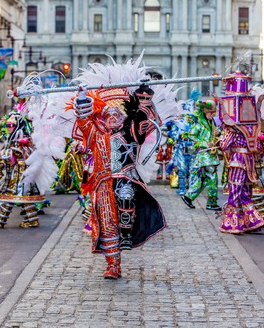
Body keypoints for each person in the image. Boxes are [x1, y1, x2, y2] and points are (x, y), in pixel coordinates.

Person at [70, 84, 166, 279]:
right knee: (107, 223)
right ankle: (113, 265)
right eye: (109, 116)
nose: (113, 119)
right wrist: (82, 98)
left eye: (117, 115)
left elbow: (145, 117)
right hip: (104, 183)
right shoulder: (97, 135)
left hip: (126, 178)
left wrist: (143, 95)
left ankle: (127, 234)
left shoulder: (131, 131)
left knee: (126, 196)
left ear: (123, 117)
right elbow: (83, 122)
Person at [217, 71, 264, 234]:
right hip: (249, 161)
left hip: (238, 161)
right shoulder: (252, 125)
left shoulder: (233, 128)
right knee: (246, 191)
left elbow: (224, 145)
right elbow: (258, 146)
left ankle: (234, 223)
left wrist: (219, 141)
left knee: (235, 190)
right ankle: (252, 220)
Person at [181, 99, 221, 211]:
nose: (213, 114)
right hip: (204, 157)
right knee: (211, 179)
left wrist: (219, 133)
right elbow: (192, 138)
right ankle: (210, 203)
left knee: (205, 180)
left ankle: (189, 196)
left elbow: (221, 132)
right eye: (210, 112)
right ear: (204, 112)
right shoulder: (199, 124)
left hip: (211, 157)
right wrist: (204, 143)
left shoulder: (214, 122)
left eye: (214, 112)